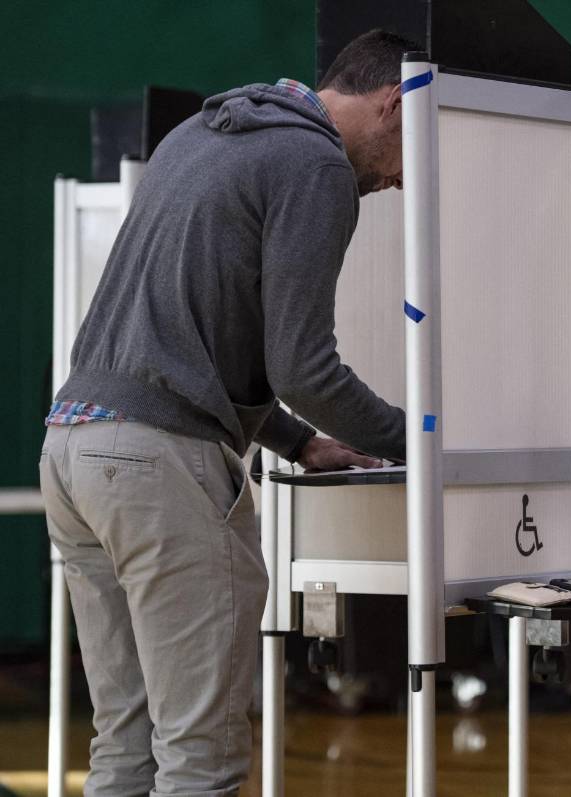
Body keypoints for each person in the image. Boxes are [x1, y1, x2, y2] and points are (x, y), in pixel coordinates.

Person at [39, 29, 413, 796]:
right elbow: (305, 368)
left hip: (73, 449)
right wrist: (421, 440)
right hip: (156, 467)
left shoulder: (203, 133)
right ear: (394, 103)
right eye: (416, 151)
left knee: (127, 745)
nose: (405, 181)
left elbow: (184, 335)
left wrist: (298, 442)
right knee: (200, 759)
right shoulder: (314, 165)